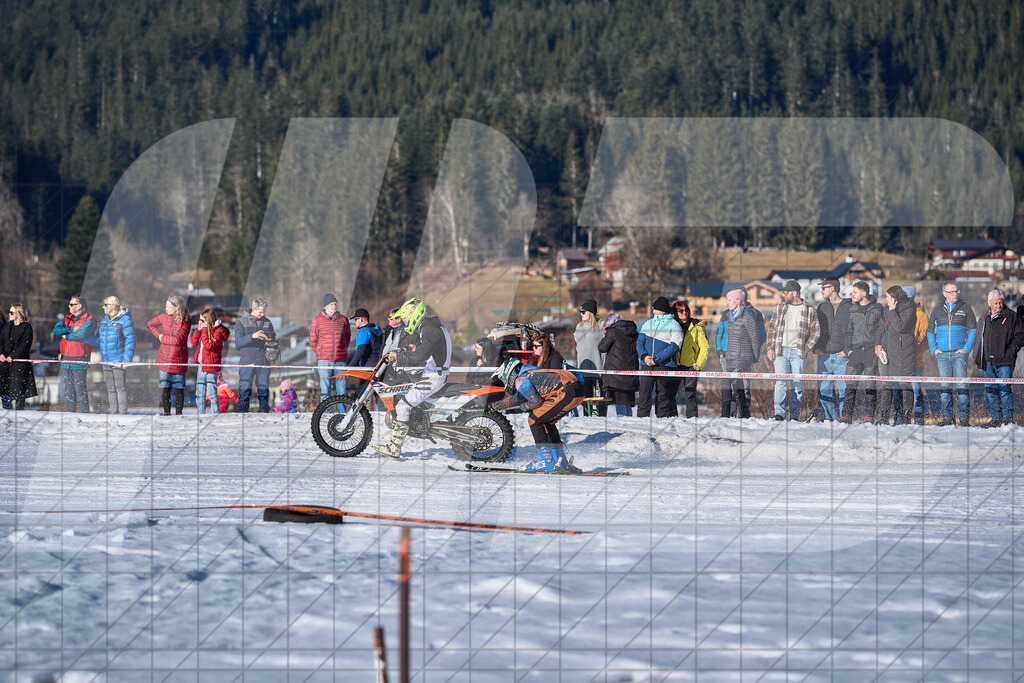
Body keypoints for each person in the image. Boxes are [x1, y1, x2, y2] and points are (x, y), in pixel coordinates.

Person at [373, 298, 452, 458]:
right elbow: (427, 352)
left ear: (414, 314)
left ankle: (394, 448)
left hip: (433, 377)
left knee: (402, 406)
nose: (406, 321)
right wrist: (414, 350)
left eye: (407, 317)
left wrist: (400, 357)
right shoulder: (430, 327)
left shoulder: (430, 329)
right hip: (431, 372)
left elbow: (419, 357)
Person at [489, 357, 586, 471]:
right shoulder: (529, 373)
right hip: (577, 390)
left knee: (534, 420)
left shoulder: (520, 380)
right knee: (547, 422)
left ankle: (547, 461)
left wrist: (524, 407)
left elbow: (536, 402)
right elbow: (516, 399)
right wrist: (494, 406)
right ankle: (562, 462)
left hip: (566, 390)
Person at [765, 280, 820, 421]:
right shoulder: (780, 308)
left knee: (797, 384)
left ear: (794, 293)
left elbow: (816, 332)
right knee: (780, 382)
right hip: (780, 351)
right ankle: (779, 413)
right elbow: (771, 329)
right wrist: (770, 348)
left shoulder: (809, 310)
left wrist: (806, 348)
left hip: (798, 353)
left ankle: (794, 415)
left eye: (785, 292)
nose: (783, 295)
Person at [927, 281, 976, 426]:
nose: (955, 294)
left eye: (956, 291)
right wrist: (934, 349)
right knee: (945, 387)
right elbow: (930, 331)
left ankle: (964, 419)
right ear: (945, 293)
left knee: (962, 386)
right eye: (952, 292)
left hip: (959, 353)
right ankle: (947, 418)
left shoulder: (965, 308)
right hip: (942, 354)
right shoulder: (937, 310)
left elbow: (973, 330)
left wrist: (966, 349)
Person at [973, 290, 1024, 428]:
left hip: (1005, 362)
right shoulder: (984, 317)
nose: (999, 305)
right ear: (989, 303)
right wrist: (978, 355)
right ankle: (996, 418)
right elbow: (979, 337)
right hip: (987, 361)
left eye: (1001, 302)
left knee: (1005, 389)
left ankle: (1007, 420)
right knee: (991, 390)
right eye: (996, 303)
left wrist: (1010, 353)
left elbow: (1020, 337)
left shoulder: (1012, 316)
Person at [839, 282, 884, 423]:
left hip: (871, 352)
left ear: (864, 294)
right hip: (856, 352)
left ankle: (869, 416)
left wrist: (878, 346)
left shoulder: (878, 309)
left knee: (870, 384)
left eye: (855, 292)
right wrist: (848, 350)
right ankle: (847, 415)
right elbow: (847, 332)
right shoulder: (852, 310)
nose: (852, 294)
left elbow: (881, 330)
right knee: (850, 384)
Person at [813, 276, 854, 421]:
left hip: (842, 356)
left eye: (824, 287)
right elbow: (816, 329)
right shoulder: (822, 307)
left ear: (833, 288)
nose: (821, 290)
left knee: (844, 391)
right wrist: (816, 348)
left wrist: (847, 349)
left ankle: (843, 419)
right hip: (824, 356)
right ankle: (830, 420)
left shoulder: (849, 307)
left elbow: (853, 330)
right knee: (824, 390)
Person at [874, 285, 917, 425]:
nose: (885, 299)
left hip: (903, 352)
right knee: (886, 384)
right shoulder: (887, 310)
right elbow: (881, 328)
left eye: (887, 297)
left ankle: (906, 417)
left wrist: (892, 310)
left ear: (894, 298)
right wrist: (877, 344)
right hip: (886, 352)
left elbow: (900, 326)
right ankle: (884, 417)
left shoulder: (909, 309)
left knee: (905, 384)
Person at [635, 297, 683, 418]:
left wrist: (657, 359)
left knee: (663, 394)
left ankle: (662, 419)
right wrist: (644, 356)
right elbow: (639, 343)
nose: (653, 310)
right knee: (644, 393)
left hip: (665, 365)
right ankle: (642, 419)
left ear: (662, 310)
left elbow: (675, 346)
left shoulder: (674, 324)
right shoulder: (648, 323)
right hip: (647, 364)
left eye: (655, 308)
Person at [147, 295, 192, 416]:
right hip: (164, 359)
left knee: (178, 389)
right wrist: (158, 335)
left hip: (178, 359)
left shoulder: (186, 320)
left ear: (176, 308)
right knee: (165, 388)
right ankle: (166, 413)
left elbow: (179, 340)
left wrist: (163, 338)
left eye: (168, 306)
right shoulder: (163, 317)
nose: (165, 308)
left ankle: (179, 413)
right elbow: (150, 324)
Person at [53, 294, 96, 412]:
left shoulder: (89, 319)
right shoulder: (67, 318)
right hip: (66, 358)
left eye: (72, 304)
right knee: (68, 388)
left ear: (80, 306)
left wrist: (66, 336)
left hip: (80, 358)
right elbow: (56, 330)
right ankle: (70, 414)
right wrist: (70, 329)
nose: (69, 306)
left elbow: (82, 334)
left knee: (80, 387)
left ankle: (85, 413)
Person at [721, 289, 760, 418]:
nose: (727, 303)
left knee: (729, 380)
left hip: (744, 357)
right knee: (735, 385)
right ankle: (744, 413)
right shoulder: (731, 317)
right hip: (731, 358)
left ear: (738, 301)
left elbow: (755, 338)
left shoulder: (748, 317)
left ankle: (730, 414)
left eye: (730, 300)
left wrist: (755, 356)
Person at [309, 294, 351, 409]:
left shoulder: (343, 320)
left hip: (340, 360)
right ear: (326, 307)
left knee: (341, 389)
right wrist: (320, 352)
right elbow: (313, 340)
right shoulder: (317, 321)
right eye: (331, 304)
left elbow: (347, 338)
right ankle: (325, 412)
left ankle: (342, 414)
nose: (334, 306)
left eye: (335, 304)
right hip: (324, 360)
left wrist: (341, 349)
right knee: (325, 388)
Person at [234, 297, 276, 413]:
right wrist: (253, 336)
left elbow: (273, 339)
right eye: (260, 312)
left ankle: (263, 410)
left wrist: (269, 339)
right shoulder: (241, 322)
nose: (262, 314)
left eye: (264, 312)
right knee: (245, 387)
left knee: (264, 388)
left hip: (263, 361)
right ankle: (242, 411)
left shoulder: (267, 322)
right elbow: (238, 342)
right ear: (254, 308)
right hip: (247, 361)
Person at [96, 296, 135, 414]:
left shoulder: (125, 320)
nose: (103, 307)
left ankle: (123, 413)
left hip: (118, 360)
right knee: (110, 389)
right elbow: (100, 340)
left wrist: (126, 360)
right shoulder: (104, 321)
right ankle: (114, 413)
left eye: (105, 305)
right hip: (106, 360)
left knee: (120, 388)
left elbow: (130, 340)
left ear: (113, 306)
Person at [672, 300, 709, 418]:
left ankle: (692, 419)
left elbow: (704, 347)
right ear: (675, 313)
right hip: (674, 365)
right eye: (681, 311)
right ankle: (671, 418)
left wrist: (698, 364)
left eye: (686, 310)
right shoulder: (672, 326)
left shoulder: (697, 326)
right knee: (671, 394)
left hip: (691, 366)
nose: (684, 313)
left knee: (690, 394)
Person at [598, 313, 639, 417]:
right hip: (631, 373)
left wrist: (604, 336)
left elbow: (602, 348)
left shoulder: (612, 332)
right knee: (628, 403)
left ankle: (623, 427)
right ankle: (630, 426)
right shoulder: (634, 332)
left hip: (616, 374)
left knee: (620, 402)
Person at [191, 308, 230, 415]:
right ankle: (201, 414)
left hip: (211, 365)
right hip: (201, 365)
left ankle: (215, 414)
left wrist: (203, 330)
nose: (200, 323)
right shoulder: (203, 330)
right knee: (200, 393)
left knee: (212, 392)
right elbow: (194, 342)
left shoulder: (218, 331)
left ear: (208, 320)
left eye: (202, 320)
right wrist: (198, 330)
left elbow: (209, 346)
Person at [0, 303, 37, 410]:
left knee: (19, 388)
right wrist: (1, 354)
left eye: (11, 312)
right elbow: (1, 342)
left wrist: (13, 356)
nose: (9, 314)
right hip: (5, 362)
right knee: (5, 388)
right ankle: (7, 410)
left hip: (19, 362)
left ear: (18, 313)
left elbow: (25, 345)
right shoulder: (7, 326)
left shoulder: (26, 327)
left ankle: (19, 411)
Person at [904, 286, 933, 425]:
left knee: (916, 392)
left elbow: (927, 341)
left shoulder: (921, 316)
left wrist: (913, 352)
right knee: (903, 392)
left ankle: (918, 419)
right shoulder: (899, 313)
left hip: (916, 362)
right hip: (901, 362)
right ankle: (903, 418)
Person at [573, 298, 606, 416]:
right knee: (586, 398)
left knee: (599, 398)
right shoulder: (579, 327)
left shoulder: (601, 326)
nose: (581, 314)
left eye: (583, 312)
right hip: (583, 368)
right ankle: (587, 418)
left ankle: (601, 417)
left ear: (590, 313)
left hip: (598, 368)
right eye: (580, 312)